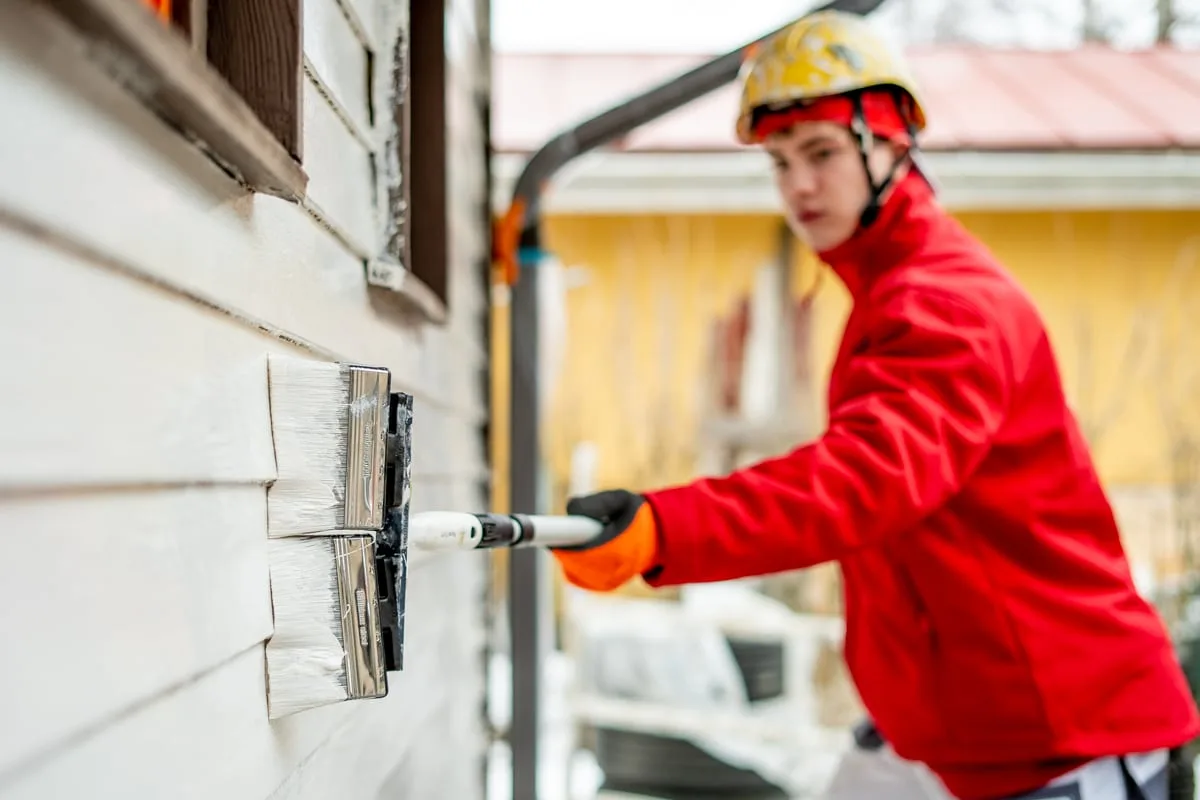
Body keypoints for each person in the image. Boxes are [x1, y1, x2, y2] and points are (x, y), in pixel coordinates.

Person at [549, 11, 1200, 800]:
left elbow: (867, 479)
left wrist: (668, 527)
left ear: (892, 143)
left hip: (1061, 739)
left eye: (821, 153)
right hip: (944, 724)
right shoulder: (887, 290)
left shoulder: (947, 301)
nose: (798, 186)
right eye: (781, 162)